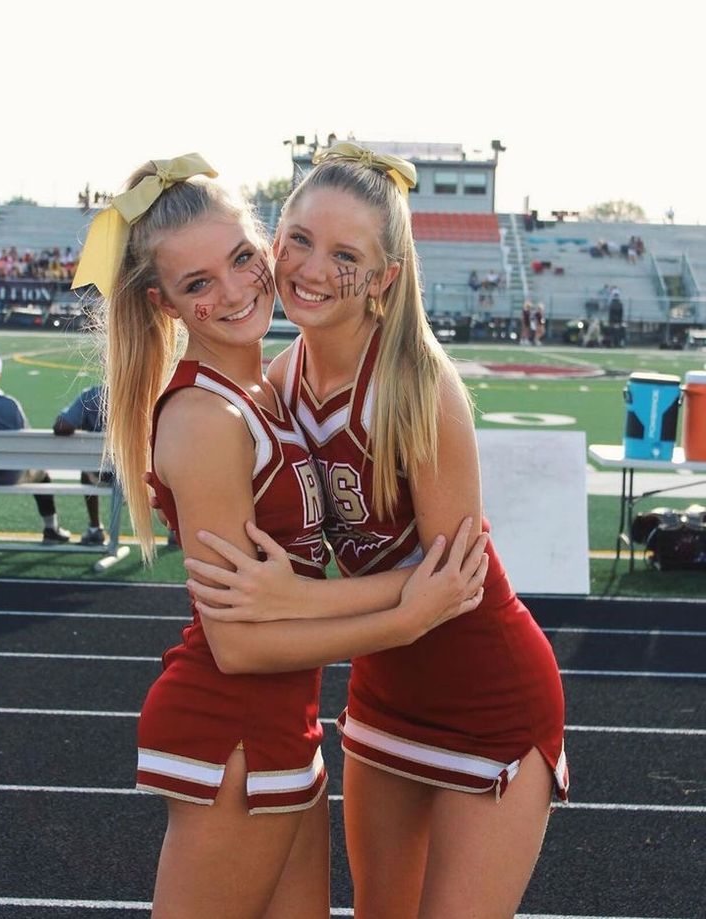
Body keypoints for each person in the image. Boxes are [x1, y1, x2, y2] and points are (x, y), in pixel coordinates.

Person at [72, 153, 488, 919]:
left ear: (265, 247)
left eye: (239, 258)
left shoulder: (269, 387)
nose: (232, 290)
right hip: (226, 729)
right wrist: (406, 609)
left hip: (282, 729)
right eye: (197, 284)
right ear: (164, 303)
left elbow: (289, 592)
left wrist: (332, 593)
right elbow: (237, 643)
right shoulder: (205, 418)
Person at [185, 143, 569, 919]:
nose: (312, 268)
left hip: (488, 696)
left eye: (345, 254)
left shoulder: (418, 388)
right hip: (386, 689)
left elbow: (454, 582)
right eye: (298, 238)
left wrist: (293, 598)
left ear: (386, 278)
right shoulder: (281, 381)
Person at [0, 347, 71, 544]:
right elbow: (28, 443)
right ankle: (51, 528)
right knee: (42, 474)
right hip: (7, 476)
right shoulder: (10, 406)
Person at [53, 384, 109, 545]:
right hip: (139, 473)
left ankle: (95, 527)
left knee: (88, 471)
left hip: (102, 474)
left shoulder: (92, 396)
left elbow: (62, 426)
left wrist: (66, 414)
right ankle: (172, 528)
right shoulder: (146, 390)